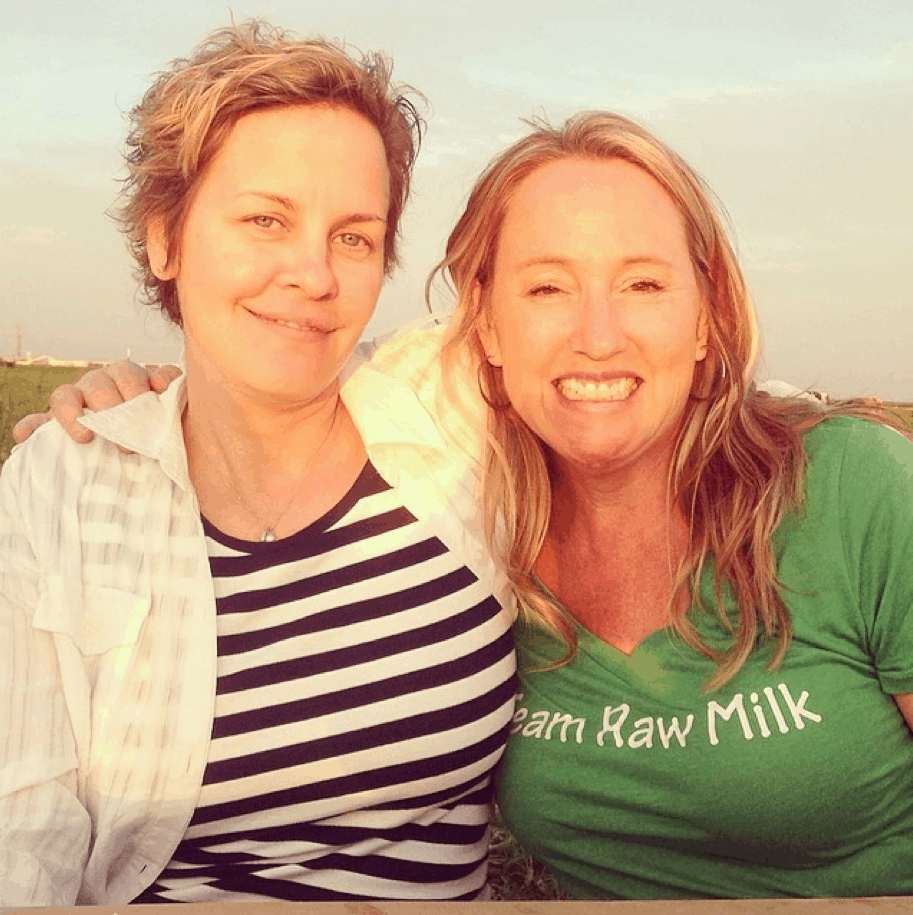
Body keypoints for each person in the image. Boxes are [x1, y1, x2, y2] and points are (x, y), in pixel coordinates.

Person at [19, 112, 913, 899]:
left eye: (643, 284)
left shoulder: (851, 485)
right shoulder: (489, 498)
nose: (598, 334)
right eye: (546, 287)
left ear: (708, 313)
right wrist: (143, 405)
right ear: (483, 324)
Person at [0, 21, 516, 907]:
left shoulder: (456, 424)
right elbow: (23, 823)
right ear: (165, 239)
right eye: (265, 220)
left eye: (353, 237)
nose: (313, 274)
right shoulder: (66, 479)